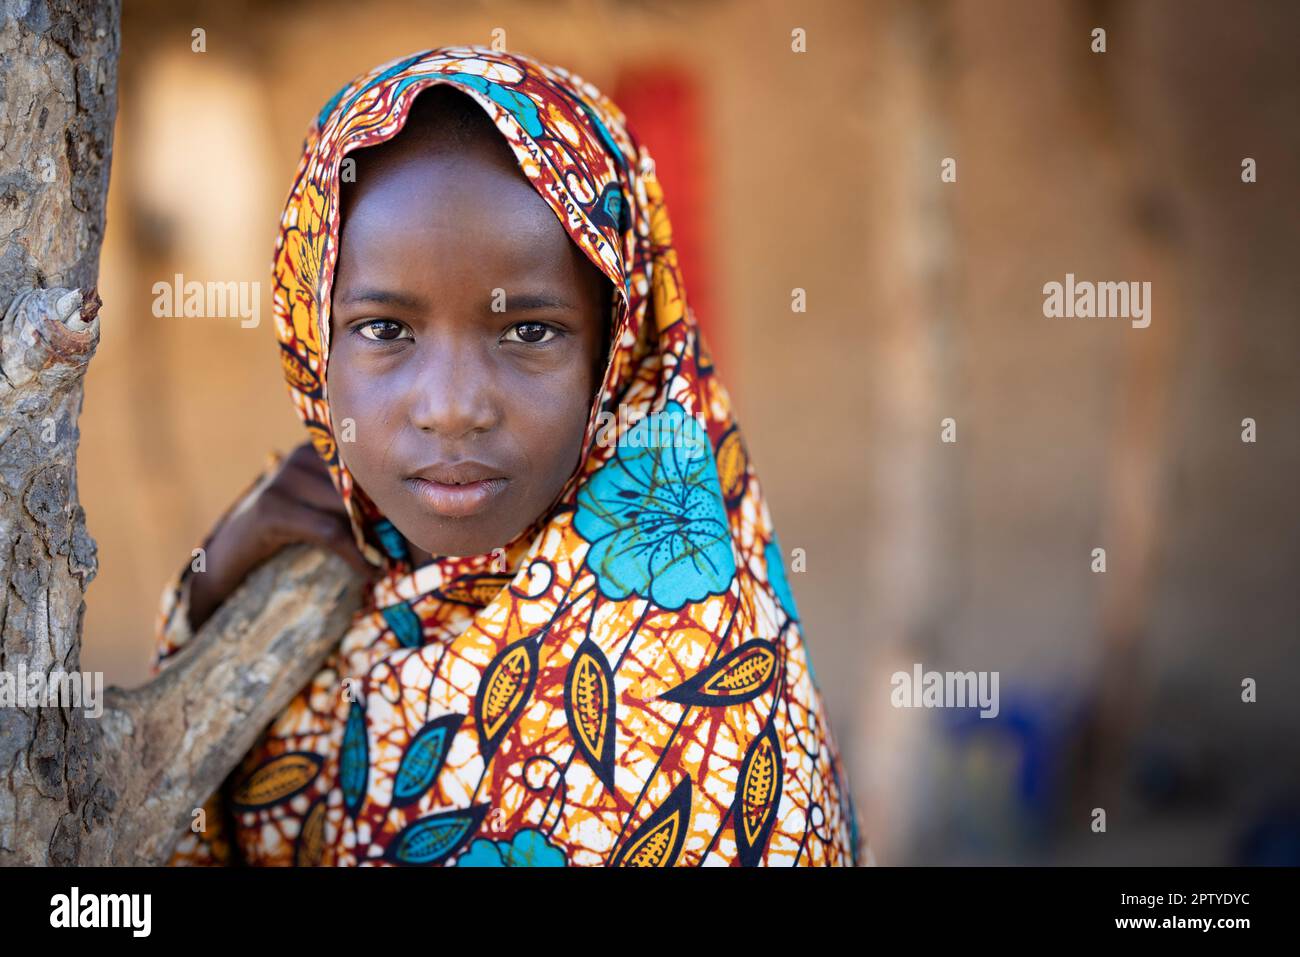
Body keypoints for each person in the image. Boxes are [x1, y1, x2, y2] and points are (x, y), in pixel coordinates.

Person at [152, 46, 863, 866]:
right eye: (386, 329)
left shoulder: (705, 726)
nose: (453, 407)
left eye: (529, 331)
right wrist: (208, 598)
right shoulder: (296, 574)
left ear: (617, 354)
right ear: (314, 341)